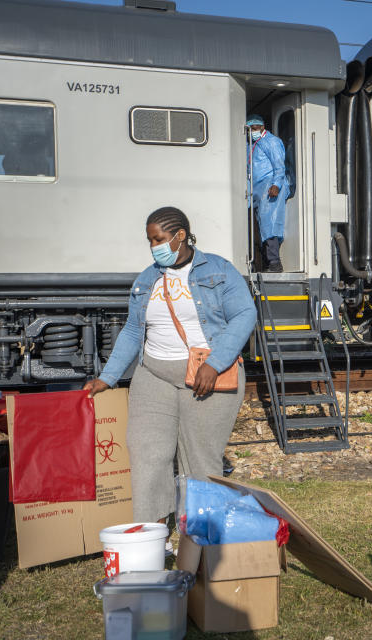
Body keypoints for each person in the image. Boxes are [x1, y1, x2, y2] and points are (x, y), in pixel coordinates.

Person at [84, 207, 257, 525]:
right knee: (146, 452)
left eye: (158, 239)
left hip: (206, 378)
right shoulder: (147, 278)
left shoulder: (218, 270)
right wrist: (107, 377)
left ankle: (202, 540)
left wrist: (216, 363)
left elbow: (245, 314)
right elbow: (133, 331)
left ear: (180, 236)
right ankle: (151, 535)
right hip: (154, 374)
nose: (153, 246)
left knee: (199, 459)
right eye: (149, 240)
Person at [247, 114, 288, 272]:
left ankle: (275, 263)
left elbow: (279, 165)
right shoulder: (253, 144)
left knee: (269, 224)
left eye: (255, 128)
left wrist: (276, 184)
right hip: (257, 190)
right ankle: (266, 263)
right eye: (250, 129)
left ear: (262, 127)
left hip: (269, 187)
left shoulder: (271, 142)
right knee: (261, 225)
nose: (252, 131)